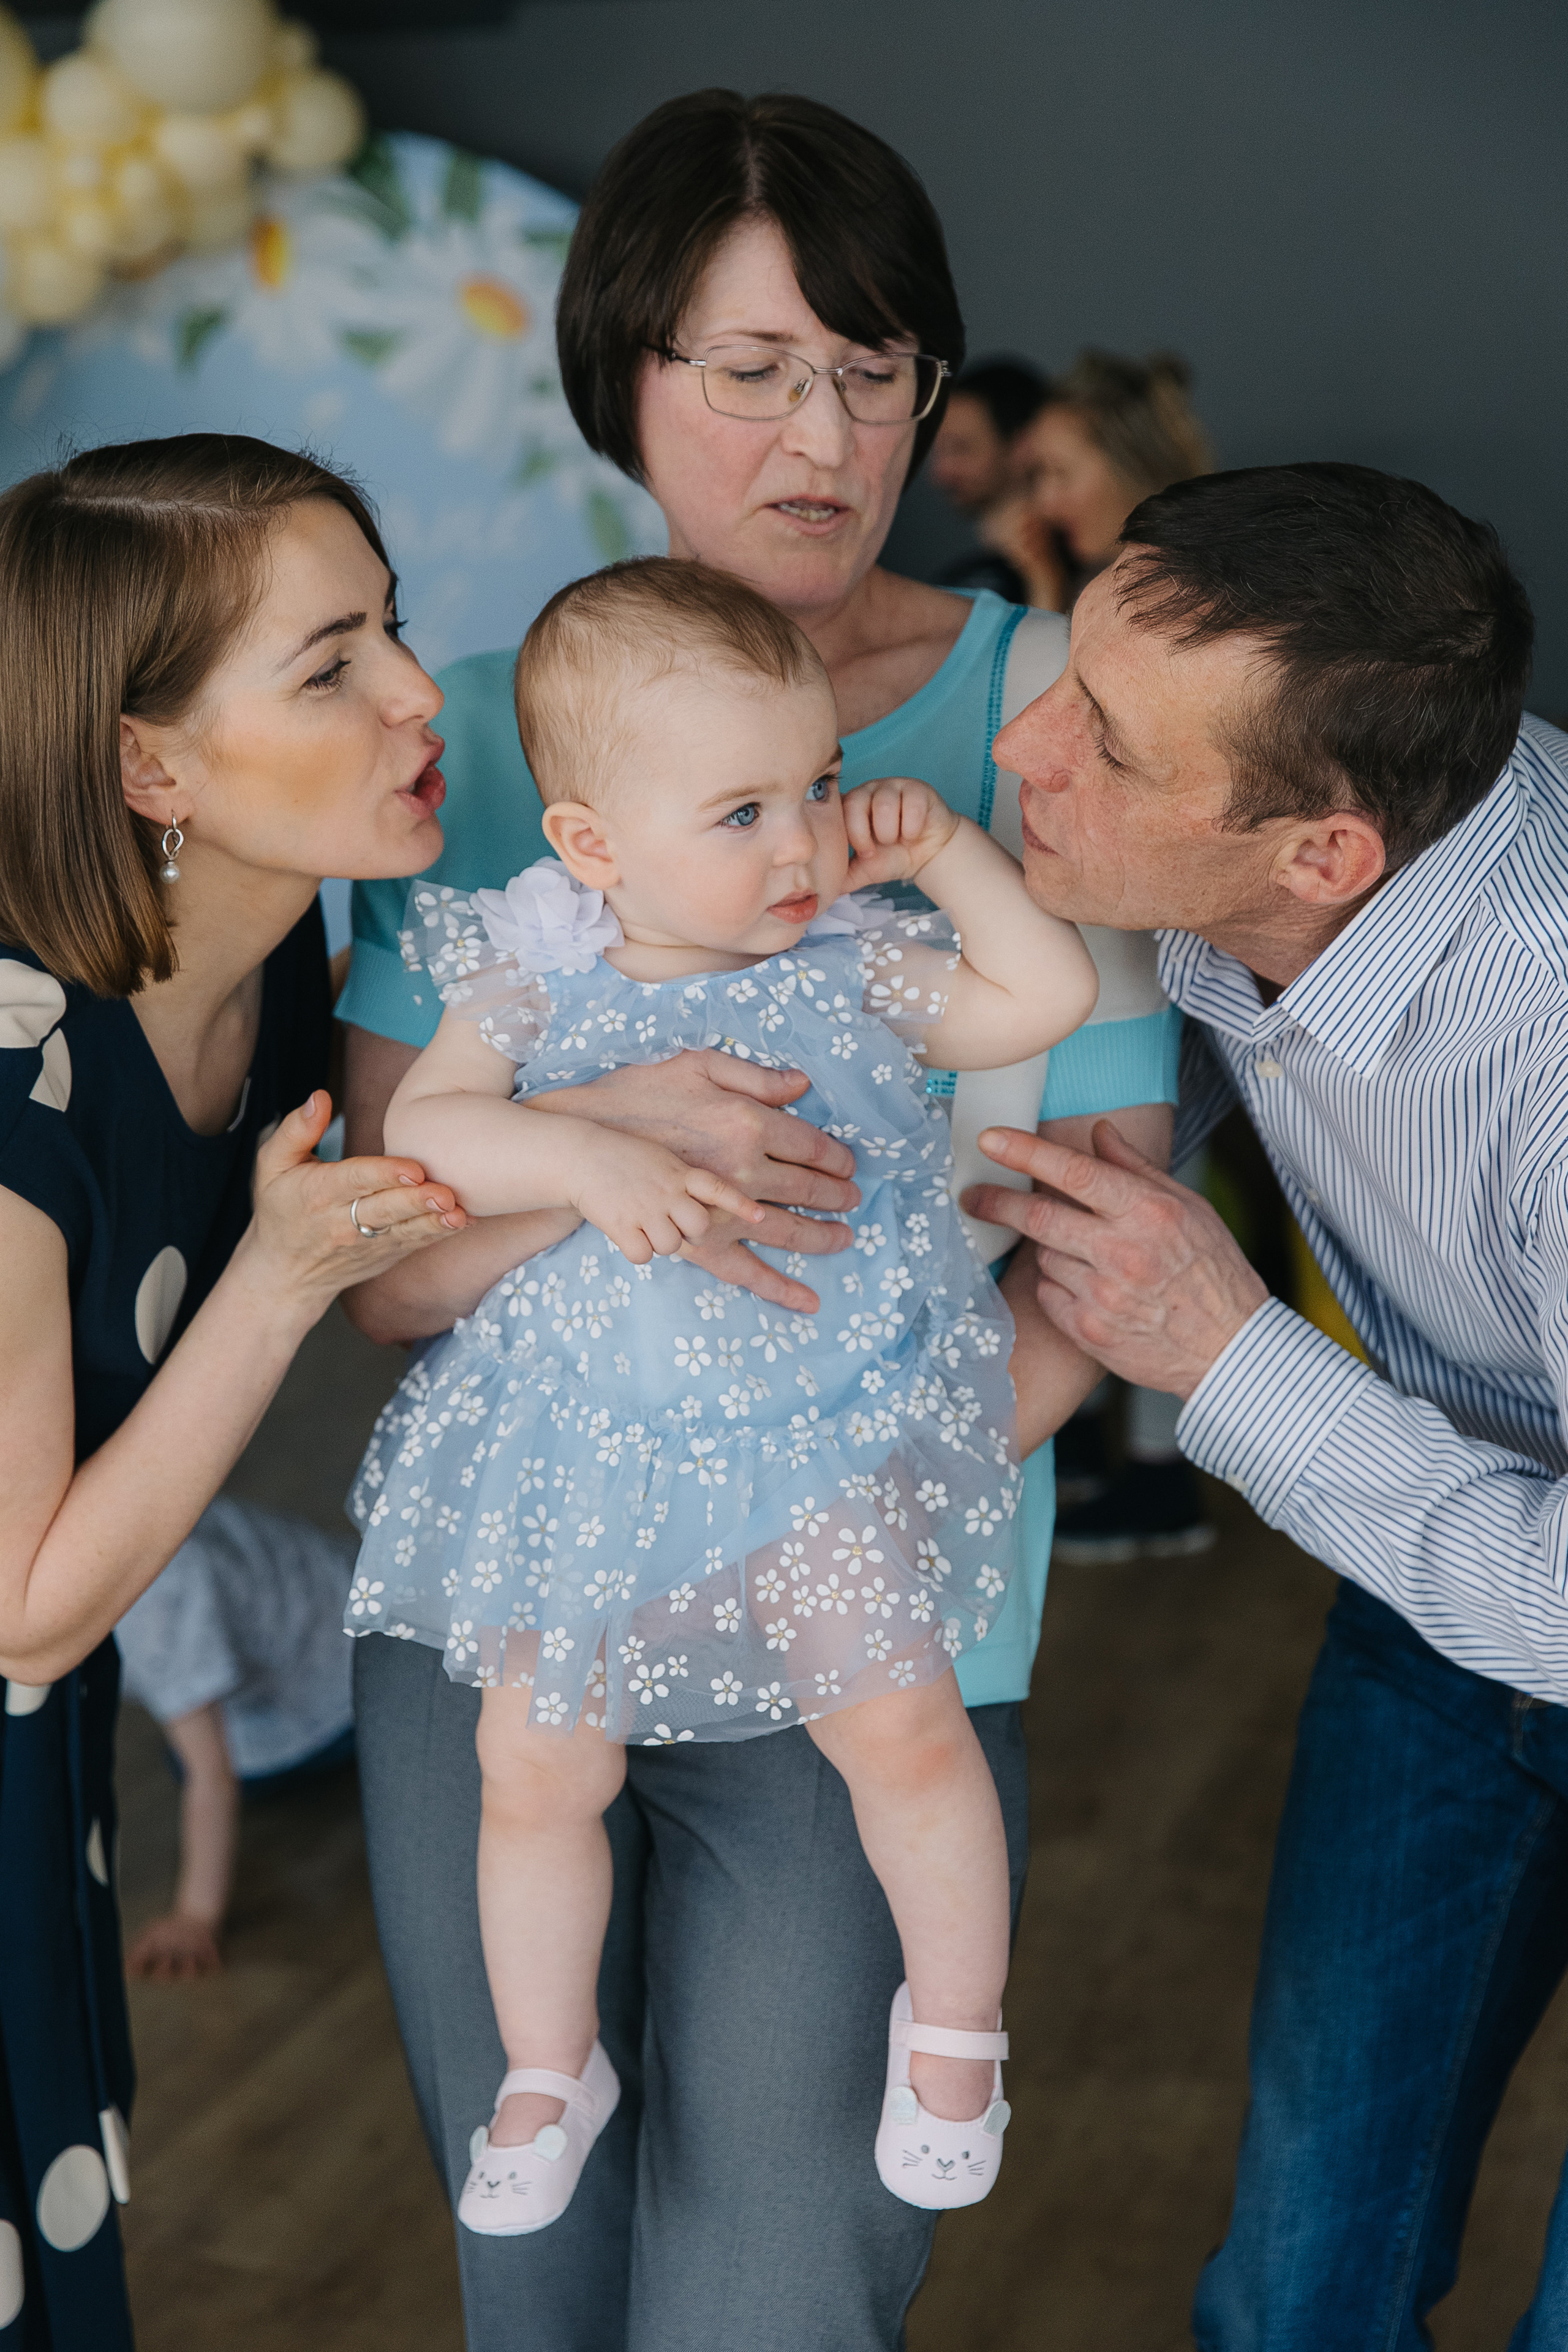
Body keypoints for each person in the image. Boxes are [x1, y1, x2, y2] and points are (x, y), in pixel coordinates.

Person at [336, 86, 1178, 2352]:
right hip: (525, 1586)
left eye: (872, 364)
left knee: (771, 2297)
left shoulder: (1020, 735)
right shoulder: (499, 740)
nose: (821, 430)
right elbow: (392, 1258)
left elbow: (1102, 1255)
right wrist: (603, 1131)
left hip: (870, 1599)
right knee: (537, 2266)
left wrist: (843, 1491)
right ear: (619, 376)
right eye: (748, 368)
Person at [351, 556, 1098, 2232]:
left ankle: (956, 2023)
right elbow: (425, 1133)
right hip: (590, 1451)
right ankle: (549, 2068)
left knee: (902, 1726)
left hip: (812, 1443)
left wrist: (951, 855)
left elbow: (1036, 999)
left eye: (818, 787)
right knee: (534, 1766)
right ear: (591, 846)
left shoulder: (851, 955)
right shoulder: (533, 970)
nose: (798, 844)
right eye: (743, 810)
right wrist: (572, 1146)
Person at [962, 460, 1568, 2345]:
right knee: (1296, 2283)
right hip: (1441, 1555)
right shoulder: (1240, 843)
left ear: (1322, 856)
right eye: (1061, 672)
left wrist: (1226, 1354)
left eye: (1109, 747)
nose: (1028, 749)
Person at [0, 432, 466, 2348]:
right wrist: (271, 1279)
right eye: (330, 660)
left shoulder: (275, 961)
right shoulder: (16, 1080)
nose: (420, 694)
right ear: (149, 767)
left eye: (395, 630)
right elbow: (19, 1602)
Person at [994, 345, 1218, 1562]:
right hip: (1140, 947)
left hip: (1179, 950)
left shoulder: (1171, 606)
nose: (1039, 495)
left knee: (1147, 1198)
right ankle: (1125, 1461)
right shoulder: (1089, 586)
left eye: (1055, 470)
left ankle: (1154, 1479)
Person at [116, 1496, 357, 1981]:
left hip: (343, 1687)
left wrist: (195, 1916)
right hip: (340, 1581)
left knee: (197, 1763)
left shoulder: (149, 1600)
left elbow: (213, 1776)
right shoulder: (136, 1501)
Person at [1008, 347, 1213, 610]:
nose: (1045, 504)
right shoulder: (1086, 581)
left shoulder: (1196, 597)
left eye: (1061, 473)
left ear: (1133, 464)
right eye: (1038, 476)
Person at [927, 356, 1052, 605]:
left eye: (961, 449)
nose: (940, 473)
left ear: (1021, 446)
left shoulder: (1084, 565)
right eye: (939, 451)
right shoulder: (967, 578)